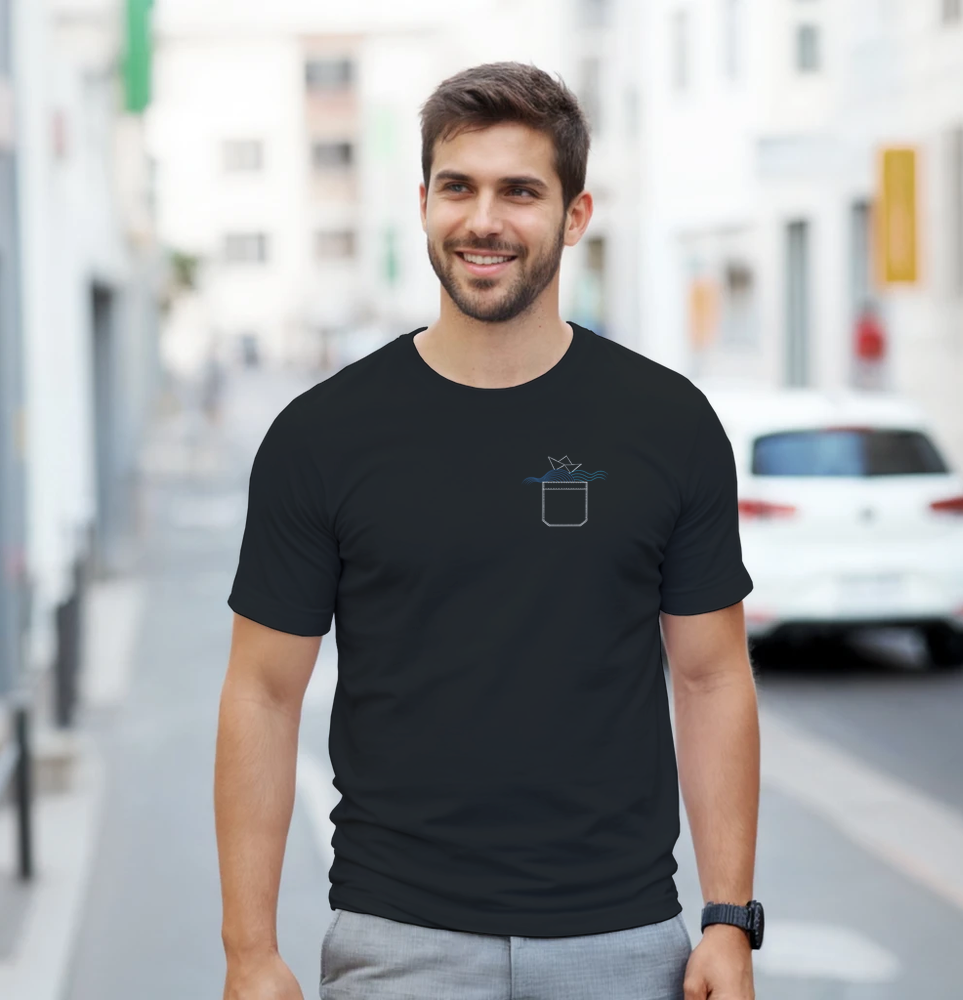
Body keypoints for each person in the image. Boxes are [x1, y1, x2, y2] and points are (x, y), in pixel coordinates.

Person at [217, 62, 761, 1000]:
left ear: (575, 215)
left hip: (622, 941)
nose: (483, 220)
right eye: (458, 187)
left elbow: (711, 676)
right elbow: (262, 694)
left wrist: (728, 920)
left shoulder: (667, 424)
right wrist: (249, 952)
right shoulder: (323, 436)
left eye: (519, 191)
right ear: (423, 203)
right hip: (400, 944)